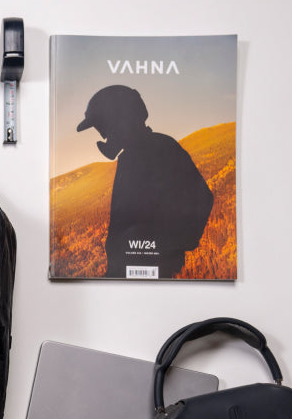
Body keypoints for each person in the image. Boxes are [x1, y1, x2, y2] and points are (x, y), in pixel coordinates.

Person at [76, 85, 213, 278]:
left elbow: (202, 198)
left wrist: (168, 247)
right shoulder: (135, 154)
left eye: (103, 128)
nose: (103, 136)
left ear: (119, 121)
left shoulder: (159, 149)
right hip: (128, 272)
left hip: (148, 272)